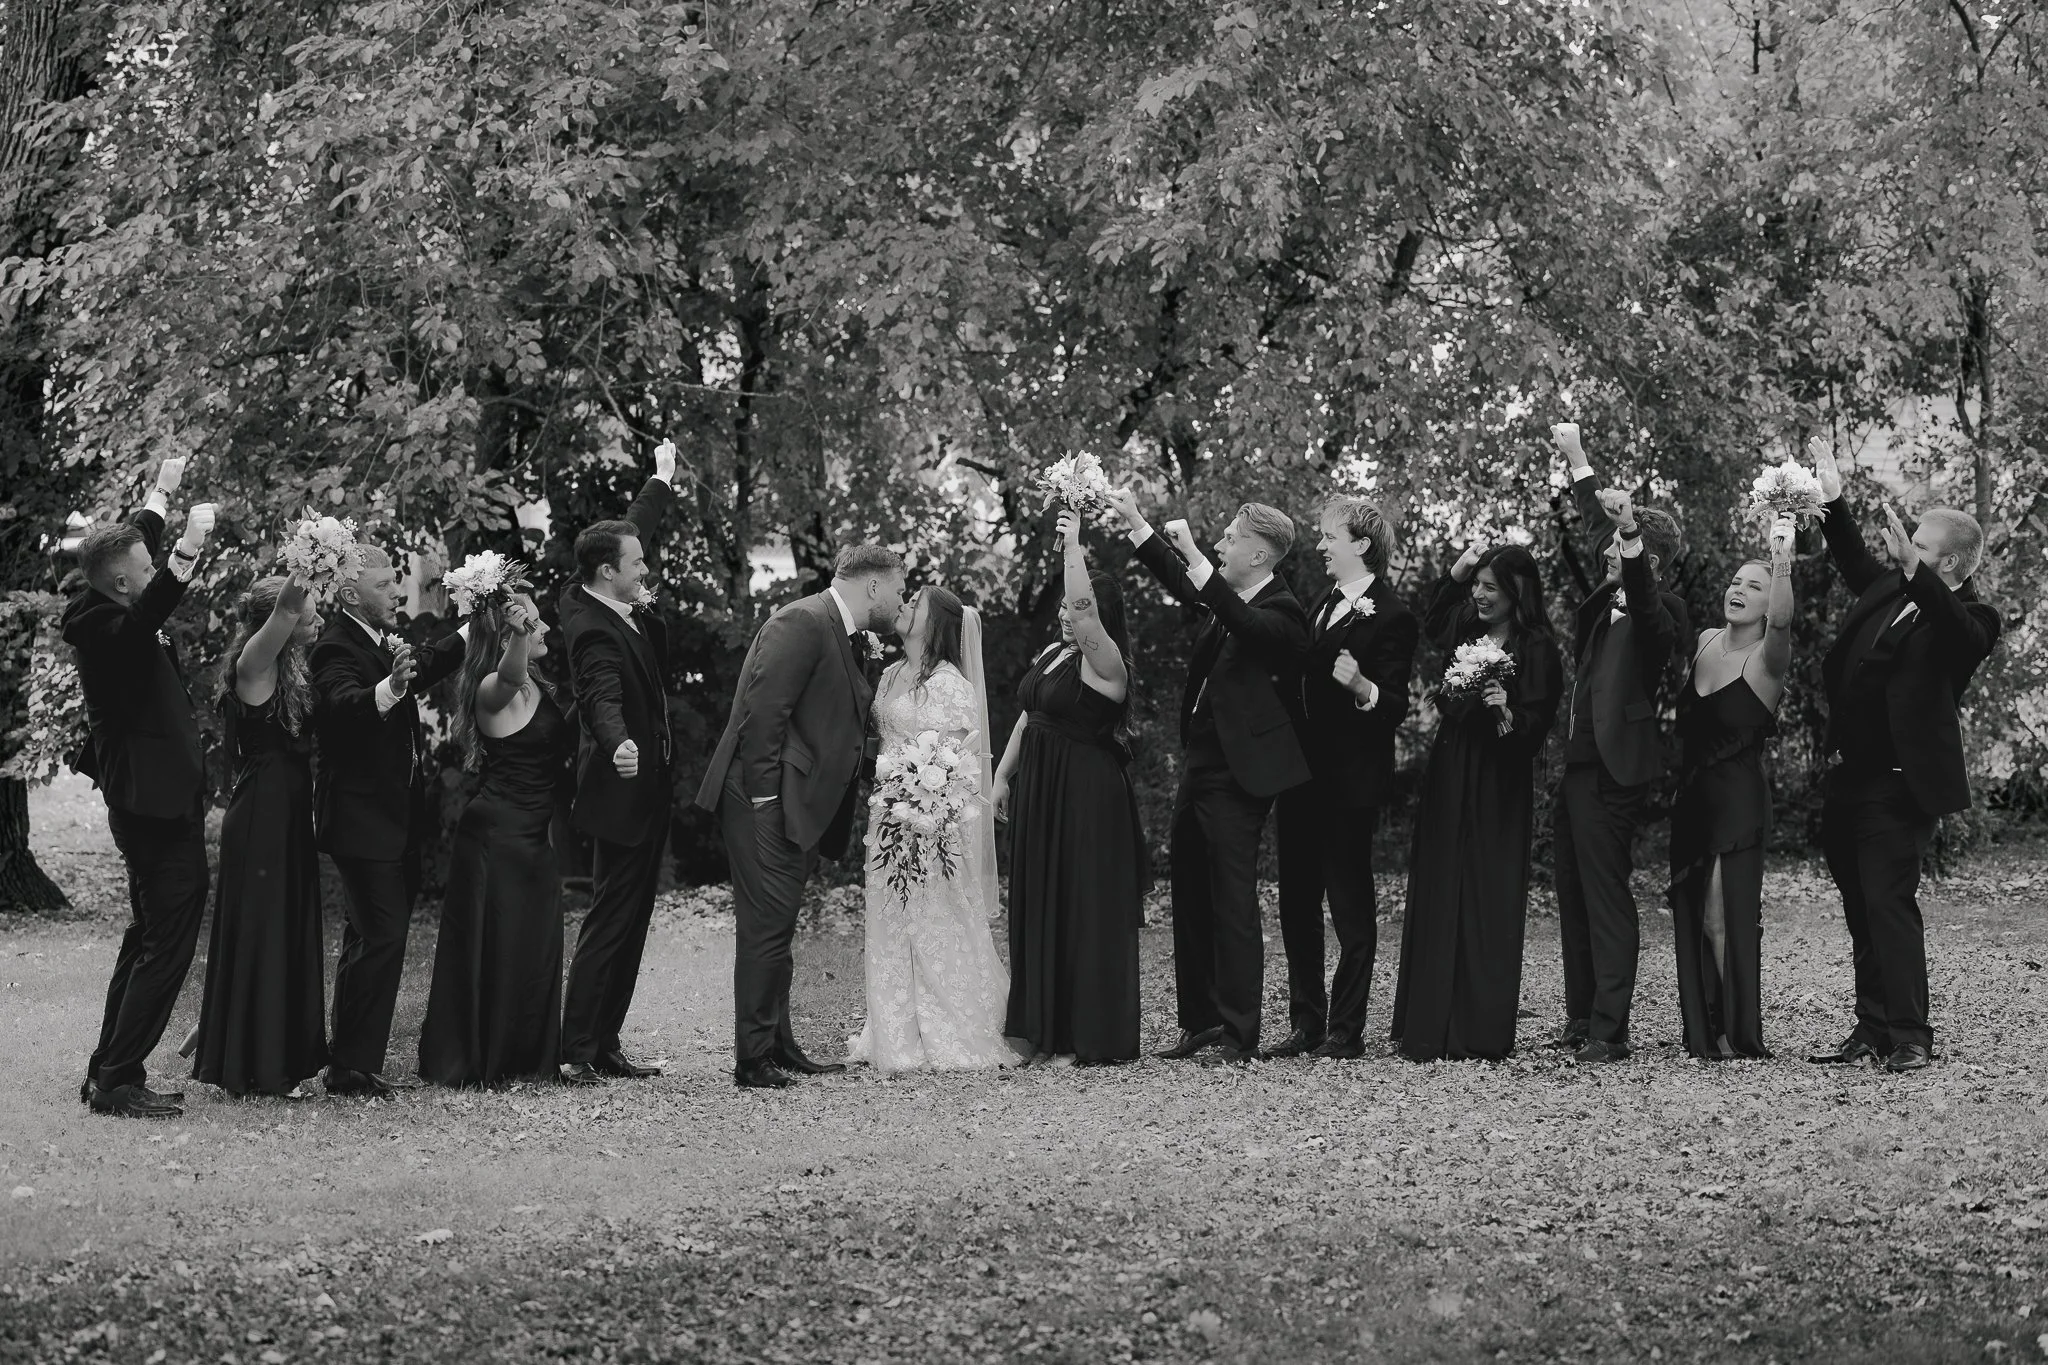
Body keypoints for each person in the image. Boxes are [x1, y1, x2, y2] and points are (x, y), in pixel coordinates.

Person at [1806, 449, 2001, 1074]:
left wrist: (1917, 575)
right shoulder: (1891, 586)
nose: (1903, 548)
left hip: (1899, 787)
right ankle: (1872, 1026)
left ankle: (1912, 1035)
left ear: (1946, 561)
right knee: (1859, 905)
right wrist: (1832, 501)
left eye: (1918, 544)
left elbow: (1960, 638)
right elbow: (1855, 561)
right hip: (1849, 775)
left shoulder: (1972, 617)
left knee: (1889, 903)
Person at [1107, 488, 1312, 1065]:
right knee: (1191, 897)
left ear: (1260, 557)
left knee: (1232, 902)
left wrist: (1195, 552)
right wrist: (1137, 525)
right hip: (1200, 766)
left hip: (1240, 777)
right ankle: (1200, 1022)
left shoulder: (1284, 613)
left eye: (1230, 538)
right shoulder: (1229, 596)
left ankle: (1240, 1034)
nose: (1220, 543)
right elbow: (1189, 585)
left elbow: (1240, 618)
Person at [695, 544, 906, 1089]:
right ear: (874, 586)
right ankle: (752, 1059)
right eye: (900, 587)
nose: (903, 598)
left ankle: (778, 1044)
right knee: (766, 927)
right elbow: (763, 713)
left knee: (780, 924)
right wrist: (765, 798)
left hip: (795, 800)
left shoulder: (844, 633)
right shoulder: (802, 621)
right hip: (764, 798)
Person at [63, 456, 216, 1119]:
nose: (153, 566)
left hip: (158, 795)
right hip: (149, 803)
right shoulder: (104, 626)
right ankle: (119, 1077)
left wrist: (163, 490)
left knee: (146, 933)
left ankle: (109, 1067)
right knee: (167, 936)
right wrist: (188, 549)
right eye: (146, 566)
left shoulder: (114, 592)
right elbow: (153, 591)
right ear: (122, 584)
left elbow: (137, 552)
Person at [1547, 422, 1689, 1065]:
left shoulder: (1665, 612)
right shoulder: (1606, 596)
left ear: (1648, 562)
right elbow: (1594, 518)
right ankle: (1583, 1016)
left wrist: (1630, 534)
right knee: (1572, 892)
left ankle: (1611, 1031)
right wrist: (1577, 457)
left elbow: (1643, 596)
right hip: (1577, 763)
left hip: (1615, 769)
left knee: (1605, 894)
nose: (1608, 550)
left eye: (1623, 546)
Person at [1391, 544, 1563, 1062]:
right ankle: (1427, 1025)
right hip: (1451, 768)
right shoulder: (1467, 627)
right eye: (1478, 585)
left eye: (1491, 586)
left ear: (1517, 592)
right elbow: (1434, 621)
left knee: (1487, 888)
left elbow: (1536, 724)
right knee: (1442, 880)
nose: (1480, 595)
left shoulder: (1537, 647)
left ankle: (1478, 1029)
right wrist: (1457, 570)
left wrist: (1505, 711)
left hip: (1498, 779)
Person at [312, 546, 469, 1097]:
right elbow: (341, 704)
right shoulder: (334, 646)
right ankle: (351, 1065)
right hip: (360, 817)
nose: (397, 592)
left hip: (393, 817)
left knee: (367, 935)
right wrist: (392, 687)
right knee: (382, 934)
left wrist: (474, 630)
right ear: (351, 594)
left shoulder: (378, 639)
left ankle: (347, 1061)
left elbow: (422, 665)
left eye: (395, 581)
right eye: (384, 585)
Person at [994, 508, 1146, 1065]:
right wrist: (1002, 776)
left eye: (1075, 606)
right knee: (1040, 904)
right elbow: (1032, 714)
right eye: (1060, 605)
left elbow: (1083, 608)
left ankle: (1087, 1033)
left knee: (1081, 908)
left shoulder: (1108, 665)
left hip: (1084, 798)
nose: (1066, 613)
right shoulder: (1056, 653)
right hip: (1040, 791)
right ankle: (1045, 1030)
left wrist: (1073, 543)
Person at [844, 585, 1017, 1073]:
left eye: (913, 603)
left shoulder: (950, 685)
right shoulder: (890, 674)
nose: (902, 606)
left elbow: (957, 764)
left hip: (934, 822)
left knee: (936, 919)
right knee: (890, 920)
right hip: (887, 817)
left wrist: (926, 799)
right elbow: (881, 740)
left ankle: (951, 1025)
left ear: (936, 623)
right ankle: (895, 1030)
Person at [1270, 496, 1418, 1060]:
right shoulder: (1319, 603)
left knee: (1350, 905)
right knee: (1296, 903)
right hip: (1301, 779)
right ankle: (1306, 1022)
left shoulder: (1394, 615)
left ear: (1360, 544)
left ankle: (1346, 1028)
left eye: (1329, 536)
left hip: (1350, 783)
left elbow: (1397, 704)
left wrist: (1362, 688)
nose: (1321, 545)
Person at [556, 443, 679, 1085]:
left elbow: (632, 529)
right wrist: (617, 741)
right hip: (619, 789)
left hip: (646, 790)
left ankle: (604, 1043)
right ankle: (579, 1045)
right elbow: (598, 692)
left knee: (632, 920)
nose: (645, 566)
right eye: (636, 563)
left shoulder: (602, 591)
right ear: (608, 573)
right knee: (612, 917)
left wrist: (659, 483)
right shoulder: (593, 629)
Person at [418, 592, 572, 1087]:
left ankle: (528, 1054)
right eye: (531, 620)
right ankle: (489, 1055)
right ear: (507, 634)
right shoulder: (492, 686)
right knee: (499, 943)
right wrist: (521, 635)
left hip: (532, 834)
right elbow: (507, 676)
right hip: (496, 837)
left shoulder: (539, 686)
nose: (544, 626)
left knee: (536, 943)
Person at [192, 576, 329, 1098]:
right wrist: (312, 556)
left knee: (284, 932)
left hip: (289, 815)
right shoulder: (254, 662)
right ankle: (259, 1068)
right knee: (266, 935)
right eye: (308, 613)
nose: (315, 621)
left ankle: (270, 1054)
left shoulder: (291, 668)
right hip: (261, 818)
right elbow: (287, 613)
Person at [1667, 517, 1797, 1060]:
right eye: (1736, 582)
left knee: (1723, 920)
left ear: (1770, 605)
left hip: (1738, 803)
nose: (1739, 590)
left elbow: (1787, 623)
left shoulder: (1770, 658)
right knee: (1694, 916)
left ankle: (1733, 1032)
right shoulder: (1703, 641)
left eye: (1755, 586)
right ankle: (1703, 1029)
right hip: (1692, 800)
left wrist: (1782, 559)